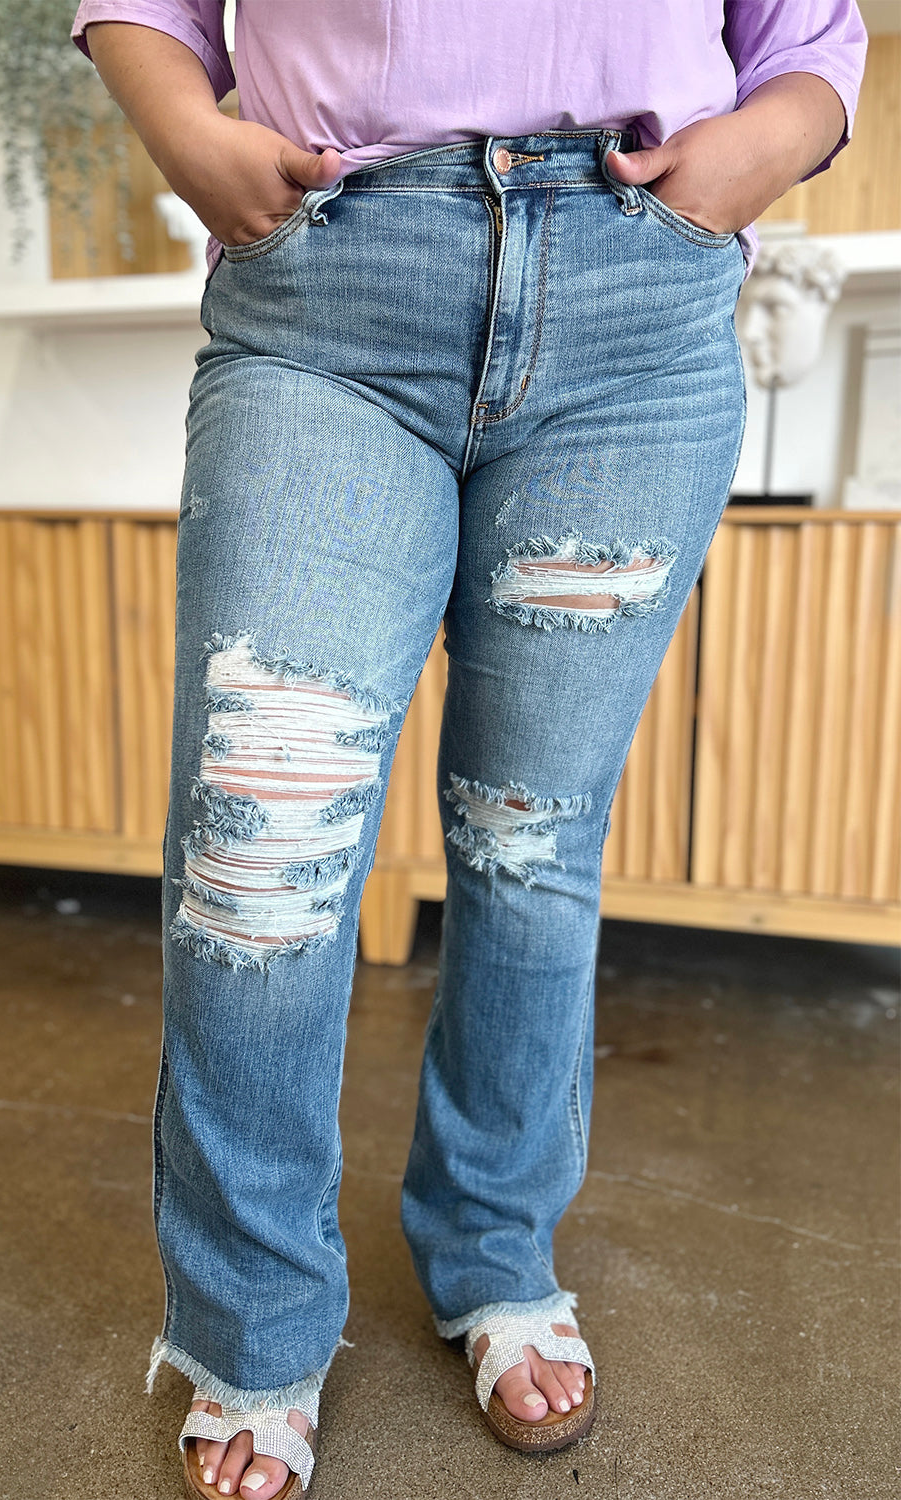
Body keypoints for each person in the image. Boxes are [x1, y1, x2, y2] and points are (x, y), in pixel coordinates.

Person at [70, 5, 867, 1496]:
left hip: (638, 309)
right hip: (332, 291)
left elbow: (813, 35)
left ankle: (495, 1251)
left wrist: (762, 150)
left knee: (532, 836)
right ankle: (252, 1324)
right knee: (264, 851)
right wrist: (182, 129)